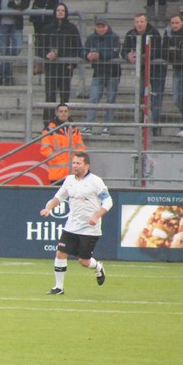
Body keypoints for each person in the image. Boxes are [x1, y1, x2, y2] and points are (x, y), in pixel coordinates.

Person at [39, 151, 111, 295]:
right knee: (60, 253)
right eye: (73, 163)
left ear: (87, 166)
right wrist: (48, 208)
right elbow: (59, 197)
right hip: (71, 226)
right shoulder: (69, 180)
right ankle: (58, 287)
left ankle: (98, 267)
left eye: (78, 163)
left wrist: (96, 216)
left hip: (89, 229)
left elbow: (108, 202)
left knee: (84, 261)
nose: (75, 166)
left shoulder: (96, 182)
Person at [121, 12, 166, 135]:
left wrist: (140, 57)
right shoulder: (130, 34)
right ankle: (141, 123)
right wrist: (128, 56)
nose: (139, 24)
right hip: (140, 70)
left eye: (141, 21)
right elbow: (123, 51)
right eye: (137, 22)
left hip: (157, 70)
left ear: (146, 22)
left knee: (156, 98)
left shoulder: (154, 33)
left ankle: (155, 126)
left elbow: (157, 52)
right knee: (140, 95)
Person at [38, 3, 83, 124]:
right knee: (50, 96)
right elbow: (40, 47)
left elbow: (78, 47)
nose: (60, 12)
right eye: (58, 10)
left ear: (66, 12)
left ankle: (64, 122)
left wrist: (72, 63)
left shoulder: (72, 28)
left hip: (66, 68)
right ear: (55, 12)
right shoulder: (47, 28)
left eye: (63, 10)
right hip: (51, 68)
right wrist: (46, 54)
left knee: (64, 96)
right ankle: (48, 123)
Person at [82, 16, 122, 136]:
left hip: (113, 73)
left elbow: (114, 53)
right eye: (98, 26)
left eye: (102, 26)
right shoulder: (91, 38)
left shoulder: (114, 38)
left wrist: (99, 55)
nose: (100, 29)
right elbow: (83, 51)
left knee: (110, 100)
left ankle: (107, 126)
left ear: (107, 26)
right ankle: (88, 126)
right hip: (98, 72)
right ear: (95, 27)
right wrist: (87, 55)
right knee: (94, 99)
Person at [40, 103, 86, 185]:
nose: (63, 113)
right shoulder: (49, 130)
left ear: (69, 113)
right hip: (57, 174)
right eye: (61, 111)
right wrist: (57, 158)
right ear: (56, 113)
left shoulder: (75, 129)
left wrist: (77, 158)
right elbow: (45, 149)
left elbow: (81, 147)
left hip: (73, 173)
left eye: (65, 111)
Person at [28, 0, 61, 72]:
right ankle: (39, 63)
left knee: (51, 38)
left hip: (51, 10)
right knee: (38, 38)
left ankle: (49, 62)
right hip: (38, 10)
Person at [163, 12, 183, 137]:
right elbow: (164, 51)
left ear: (182, 22)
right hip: (178, 69)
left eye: (177, 22)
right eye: (172, 23)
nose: (175, 25)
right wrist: (174, 56)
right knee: (177, 99)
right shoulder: (168, 33)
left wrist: (177, 55)